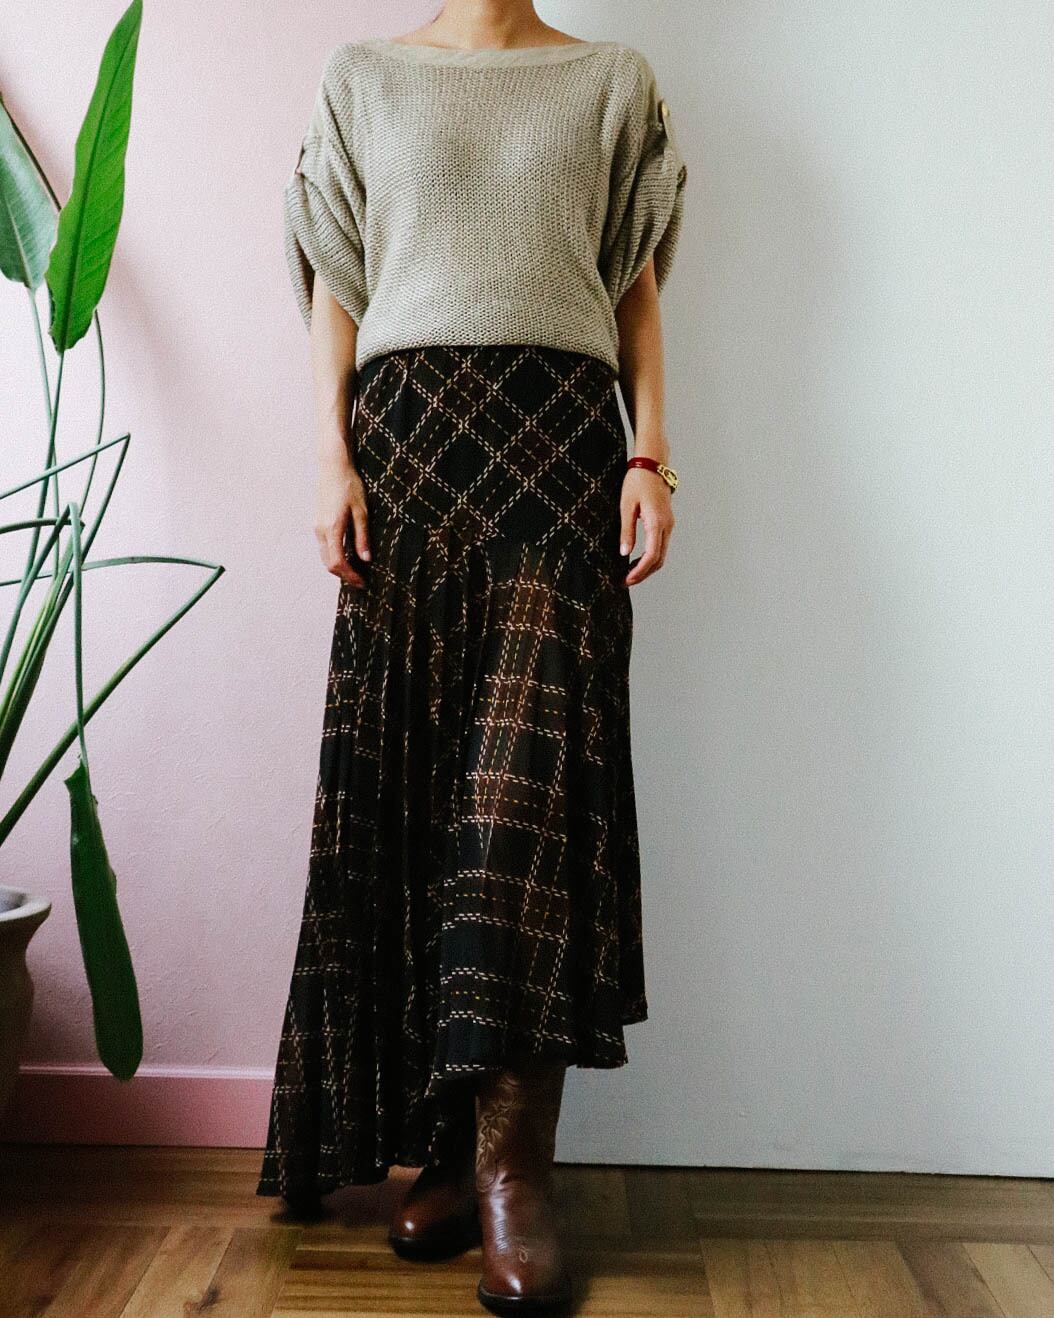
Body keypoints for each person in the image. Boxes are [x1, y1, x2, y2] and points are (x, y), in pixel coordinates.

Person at [256, 3, 686, 1313]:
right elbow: (336, 283)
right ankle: (444, 1148)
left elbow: (633, 286)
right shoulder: (363, 78)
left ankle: (514, 1173)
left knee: (523, 811)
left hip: (558, 452)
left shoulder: (610, 82)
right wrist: (329, 459)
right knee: (420, 801)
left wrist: (649, 455)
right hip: (408, 452)